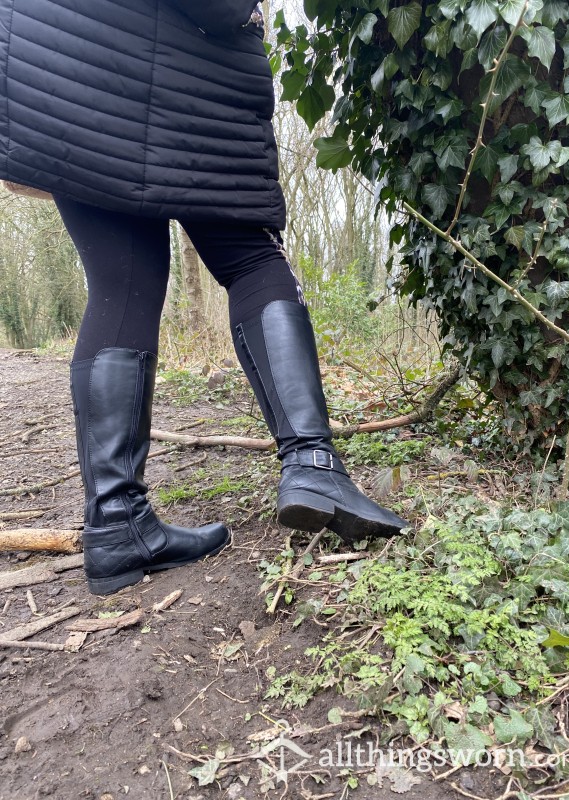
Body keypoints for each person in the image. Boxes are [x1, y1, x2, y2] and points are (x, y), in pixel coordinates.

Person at [0, 0, 408, 596]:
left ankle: (116, 525)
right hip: (181, 76)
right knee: (253, 259)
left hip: (57, 74)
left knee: (123, 284)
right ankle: (312, 465)